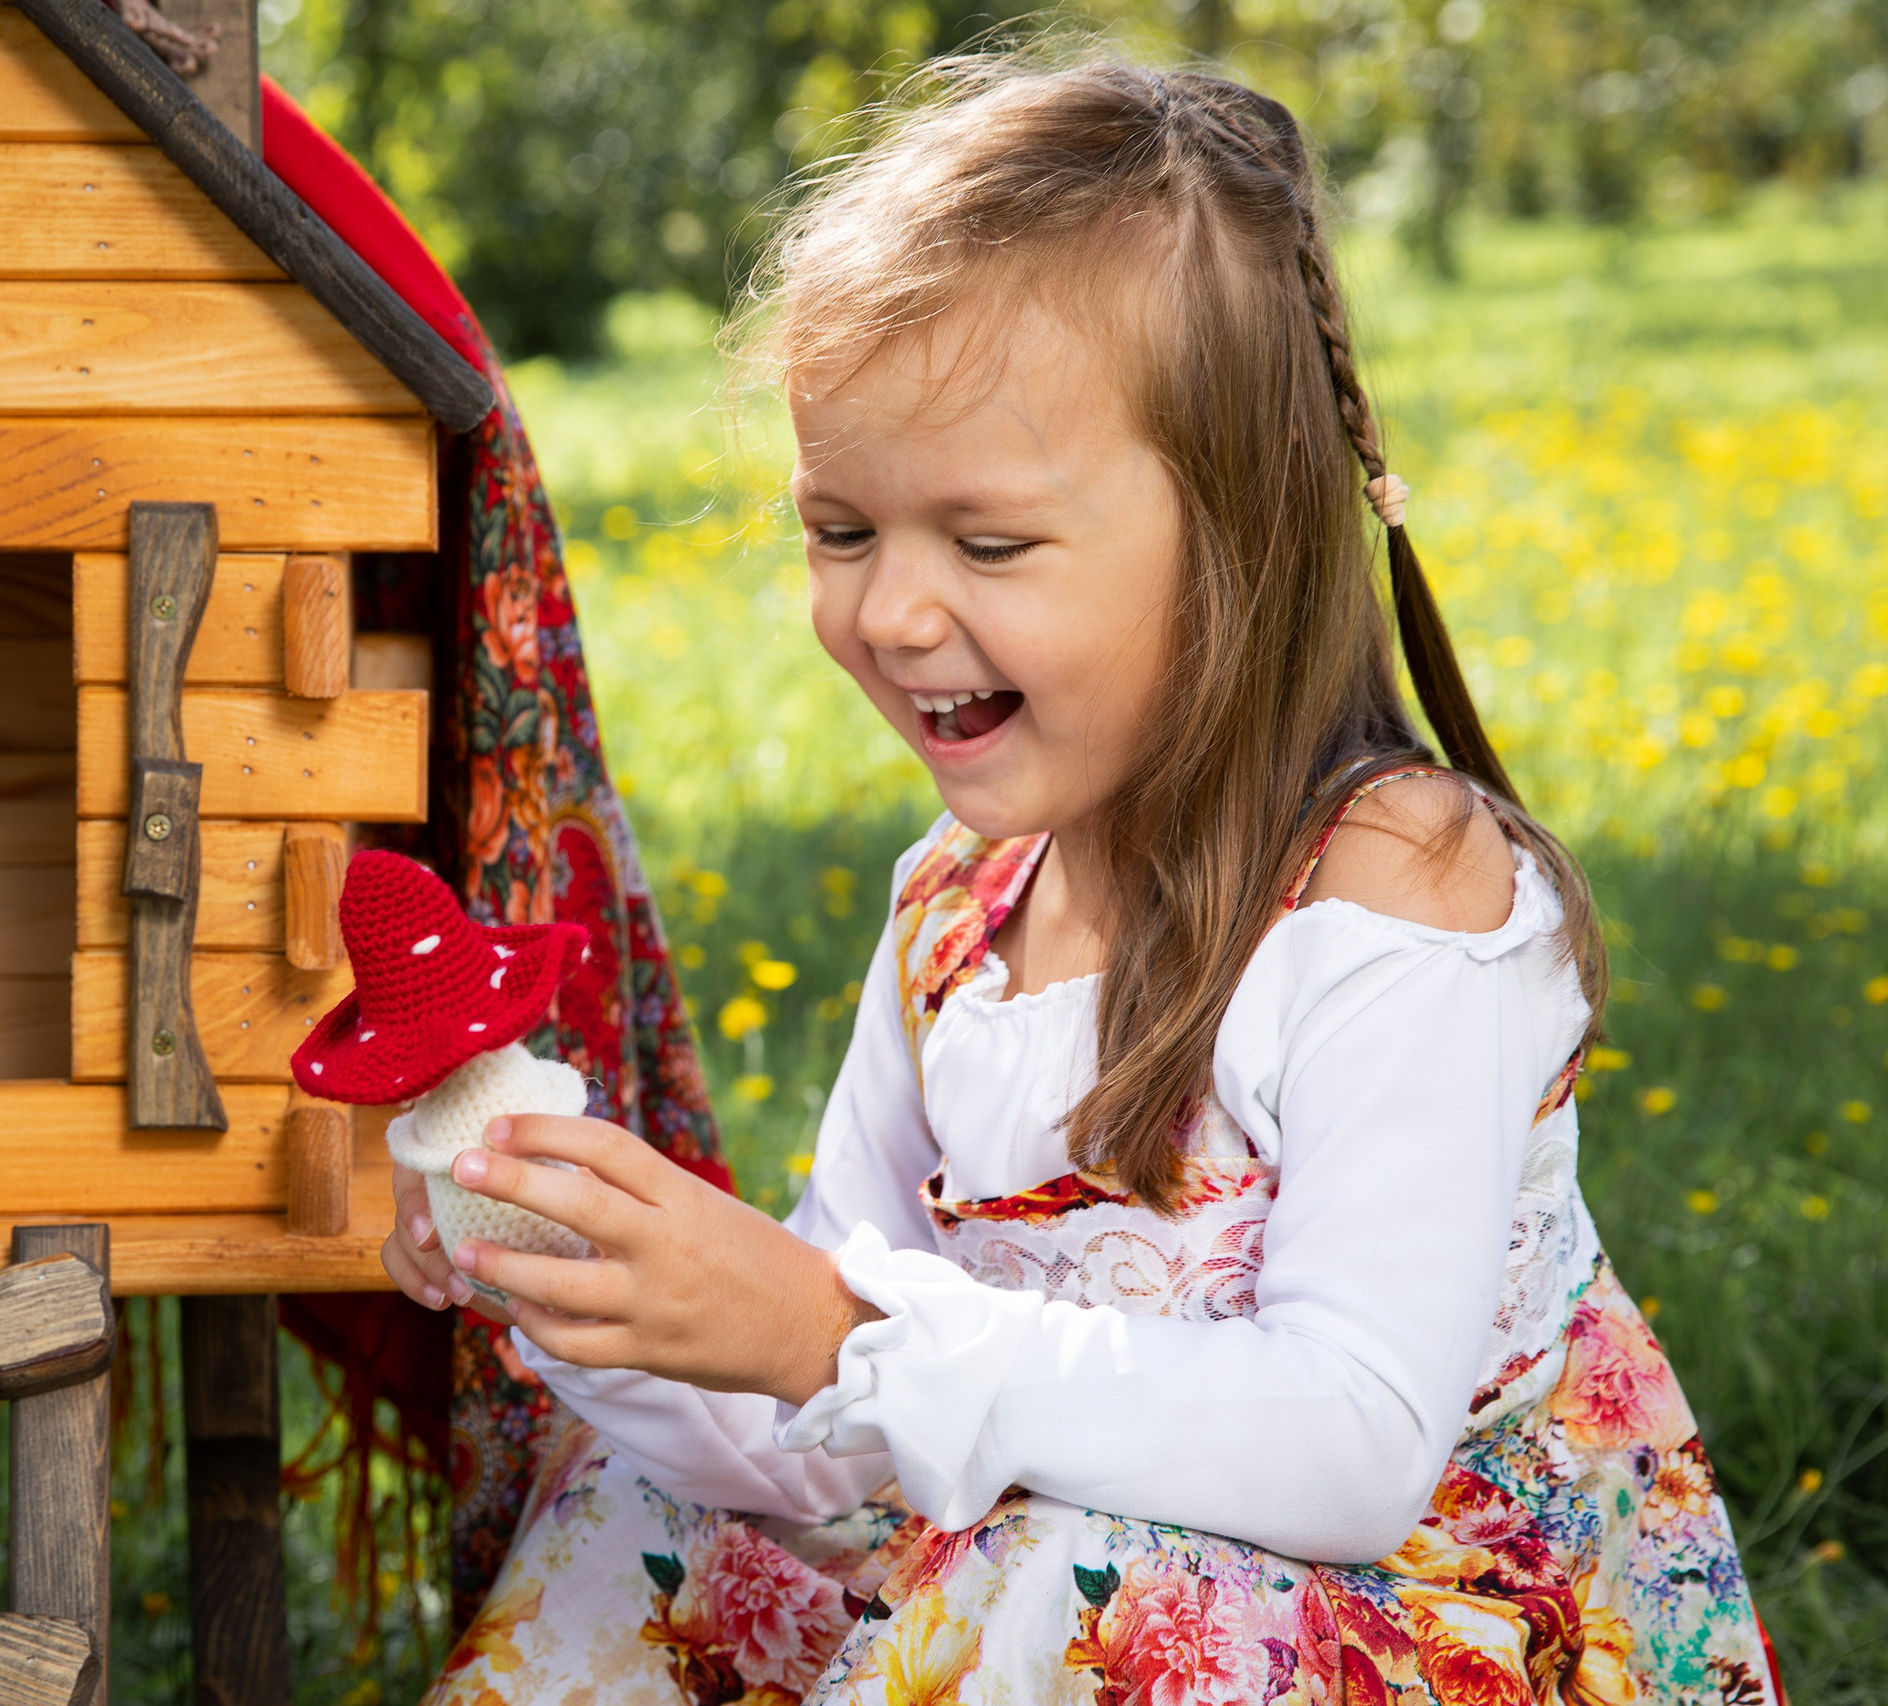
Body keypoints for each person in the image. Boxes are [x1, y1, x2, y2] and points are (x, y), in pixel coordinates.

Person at [381, 53, 1779, 1706]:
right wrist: (614, 1290)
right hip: (1045, 1571)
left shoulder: (1403, 895)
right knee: (647, 1507)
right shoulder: (956, 915)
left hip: (1418, 1621)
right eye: (842, 529)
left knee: (1075, 1574)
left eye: (985, 544)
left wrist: (831, 1328)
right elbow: (825, 1435)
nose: (891, 611)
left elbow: (1353, 1445)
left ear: (1241, 536)